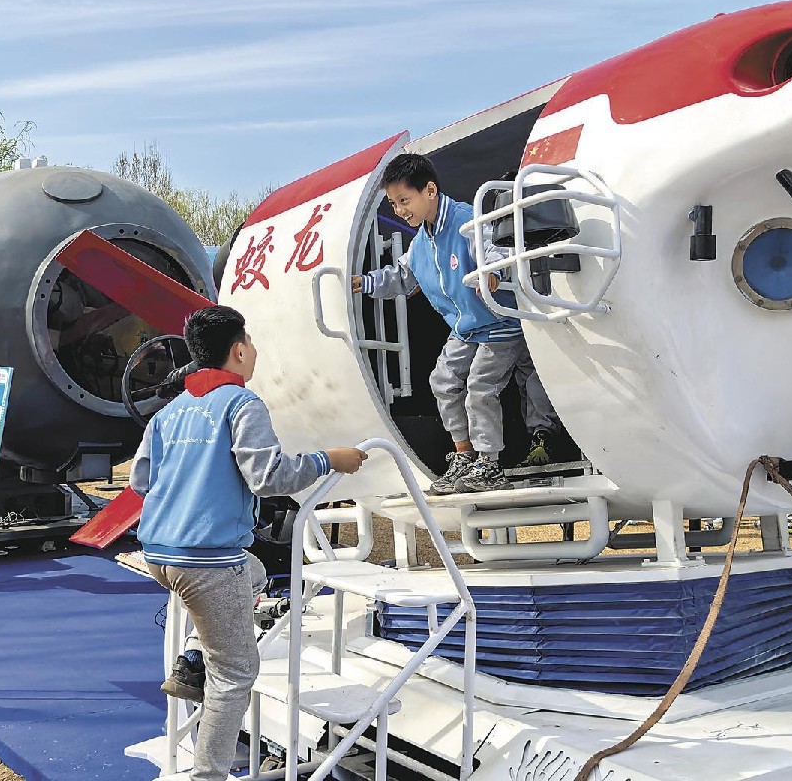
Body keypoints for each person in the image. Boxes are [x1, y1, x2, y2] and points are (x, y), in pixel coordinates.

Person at [129, 304, 367, 781]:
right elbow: (268, 475)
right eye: (251, 342)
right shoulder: (242, 405)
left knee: (254, 572)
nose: (254, 351)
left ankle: (195, 655)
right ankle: (208, 775)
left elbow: (140, 480)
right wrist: (328, 459)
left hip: (161, 552)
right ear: (239, 350)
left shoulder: (171, 410)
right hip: (208, 561)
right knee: (235, 675)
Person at [352, 153, 562, 493]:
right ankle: (463, 456)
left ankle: (489, 464)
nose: (400, 210)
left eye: (404, 200)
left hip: (499, 323)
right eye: (393, 204)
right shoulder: (422, 242)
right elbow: (405, 276)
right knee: (443, 381)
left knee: (480, 387)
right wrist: (365, 283)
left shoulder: (467, 220)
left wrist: (491, 273)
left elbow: (495, 248)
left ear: (430, 190)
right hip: (466, 328)